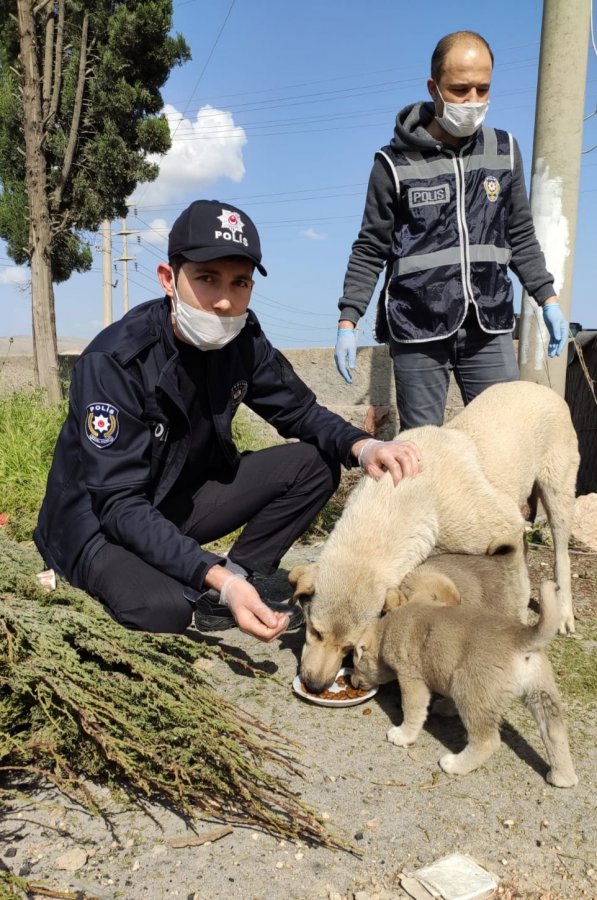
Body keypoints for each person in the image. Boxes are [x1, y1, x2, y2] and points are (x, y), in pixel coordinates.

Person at [34, 200, 421, 642]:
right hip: (97, 522)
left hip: (175, 500)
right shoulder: (116, 362)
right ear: (168, 279)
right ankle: (196, 583)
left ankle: (236, 582)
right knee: (164, 609)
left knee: (314, 464)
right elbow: (119, 504)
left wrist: (365, 446)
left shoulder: (243, 338)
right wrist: (211, 573)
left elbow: (299, 410)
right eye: (206, 278)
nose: (223, 300)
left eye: (239, 283)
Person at [334, 30, 568, 431]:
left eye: (483, 88)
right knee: (422, 453)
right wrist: (348, 320)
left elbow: (520, 235)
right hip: (416, 325)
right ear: (434, 88)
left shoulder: (504, 150)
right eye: (459, 89)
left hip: (488, 323)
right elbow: (371, 247)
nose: (473, 101)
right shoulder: (393, 163)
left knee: (505, 438)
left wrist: (546, 298)